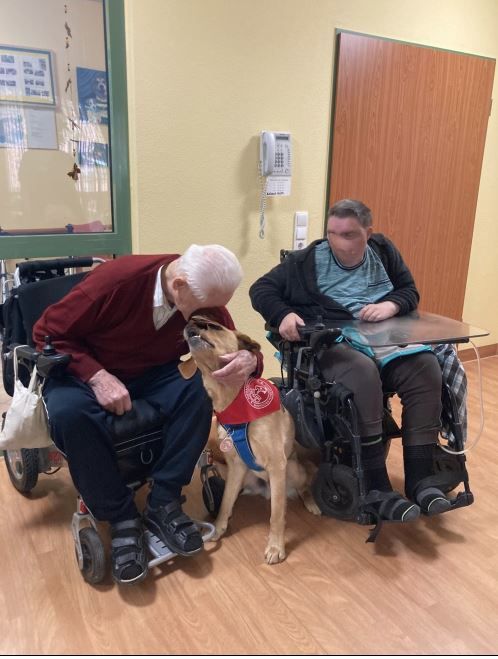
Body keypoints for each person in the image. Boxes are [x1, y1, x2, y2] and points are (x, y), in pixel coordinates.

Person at [34, 244, 261, 585]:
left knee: (199, 390)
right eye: (205, 306)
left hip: (150, 373)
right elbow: (46, 333)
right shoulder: (115, 283)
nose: (212, 313)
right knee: (69, 414)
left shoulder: (202, 293)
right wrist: (96, 375)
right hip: (86, 370)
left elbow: (229, 339)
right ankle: (120, 515)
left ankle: (163, 501)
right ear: (179, 286)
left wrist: (250, 360)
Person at [249, 199, 451, 525]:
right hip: (335, 343)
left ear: (367, 233)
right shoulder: (306, 262)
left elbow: (408, 291)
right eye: (332, 233)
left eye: (348, 234)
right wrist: (283, 314)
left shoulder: (383, 251)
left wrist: (390, 306)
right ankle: (376, 486)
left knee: (425, 367)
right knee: (362, 373)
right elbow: (261, 289)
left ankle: (421, 479)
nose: (337, 242)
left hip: (384, 340)